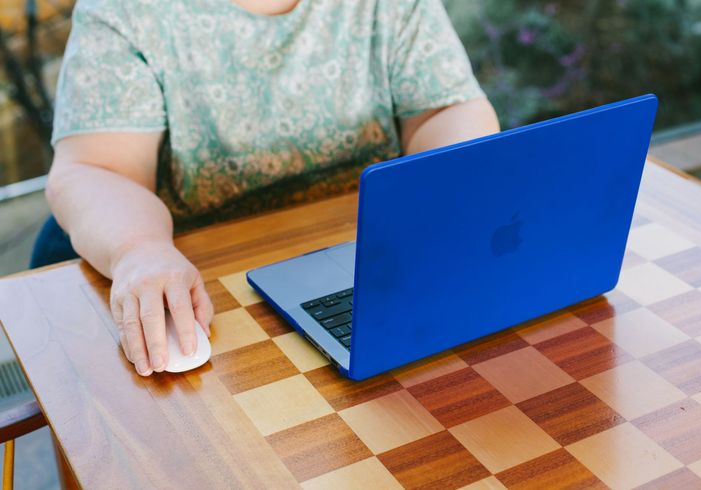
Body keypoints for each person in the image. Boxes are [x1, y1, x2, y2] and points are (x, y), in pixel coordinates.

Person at [37, 0, 500, 376]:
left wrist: (453, 195)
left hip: (367, 259)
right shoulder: (126, 11)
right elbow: (97, 168)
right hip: (204, 284)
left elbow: (444, 111)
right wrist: (138, 250)